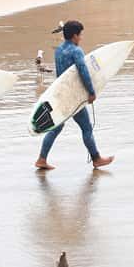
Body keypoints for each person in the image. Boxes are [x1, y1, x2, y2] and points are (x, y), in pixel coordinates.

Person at [35, 20, 114, 170]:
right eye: (80, 35)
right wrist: (91, 92)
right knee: (86, 128)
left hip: (61, 94)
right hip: (73, 96)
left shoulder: (59, 50)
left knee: (56, 127)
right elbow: (83, 72)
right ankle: (96, 159)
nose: (81, 38)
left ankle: (41, 159)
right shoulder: (76, 51)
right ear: (74, 36)